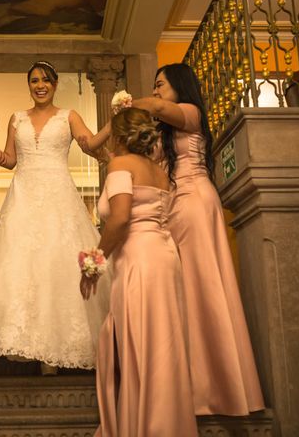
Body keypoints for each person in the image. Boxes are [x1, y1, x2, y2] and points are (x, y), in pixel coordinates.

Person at [0, 60, 110, 373]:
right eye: (34, 80)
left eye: (46, 80)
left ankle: (54, 349)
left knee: (55, 264)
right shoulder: (16, 118)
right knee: (18, 263)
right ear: (30, 85)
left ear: (54, 85)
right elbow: (10, 160)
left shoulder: (69, 116)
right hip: (22, 194)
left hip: (58, 195)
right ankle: (26, 342)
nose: (40, 85)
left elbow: (89, 144)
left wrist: (113, 122)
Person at [132, 62, 265, 415]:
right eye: (154, 85)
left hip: (193, 202)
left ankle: (217, 389)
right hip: (174, 208)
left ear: (179, 85)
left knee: (201, 286)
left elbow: (157, 107)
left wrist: (128, 103)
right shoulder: (164, 130)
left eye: (160, 84)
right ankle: (191, 386)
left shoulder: (190, 112)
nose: (156, 90)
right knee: (183, 291)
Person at [81, 107, 197, 436]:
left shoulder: (121, 165)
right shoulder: (159, 171)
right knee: (162, 343)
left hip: (138, 260)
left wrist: (94, 262)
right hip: (164, 256)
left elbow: (119, 219)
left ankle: (140, 425)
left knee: (138, 340)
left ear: (118, 138)